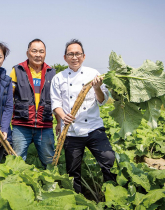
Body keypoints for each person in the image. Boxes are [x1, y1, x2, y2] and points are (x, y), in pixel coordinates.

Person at [50, 39, 116, 193]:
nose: (75, 57)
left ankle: (112, 193)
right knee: (73, 171)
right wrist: (63, 116)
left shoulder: (93, 74)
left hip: (94, 127)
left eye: (78, 54)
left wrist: (97, 88)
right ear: (65, 57)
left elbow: (102, 100)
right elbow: (55, 102)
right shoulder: (58, 78)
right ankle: (77, 199)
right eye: (71, 54)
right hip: (72, 130)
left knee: (109, 160)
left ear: (84, 56)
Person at [10, 39, 58, 168]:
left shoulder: (51, 73)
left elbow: (57, 101)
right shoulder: (17, 70)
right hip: (21, 125)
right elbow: (9, 99)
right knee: (16, 161)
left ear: (45, 53)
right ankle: (16, 185)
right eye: (34, 51)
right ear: (27, 53)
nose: (38, 55)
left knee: (49, 161)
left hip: (44, 125)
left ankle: (50, 186)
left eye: (41, 51)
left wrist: (59, 122)